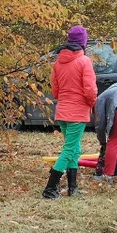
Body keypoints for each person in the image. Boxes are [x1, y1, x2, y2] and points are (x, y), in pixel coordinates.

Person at [43, 26, 97, 199]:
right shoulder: (84, 61)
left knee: (75, 148)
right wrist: (91, 104)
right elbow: (90, 90)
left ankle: (73, 187)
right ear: (83, 42)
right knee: (69, 150)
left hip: (62, 112)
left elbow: (55, 91)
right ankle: (50, 189)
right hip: (77, 112)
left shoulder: (58, 63)